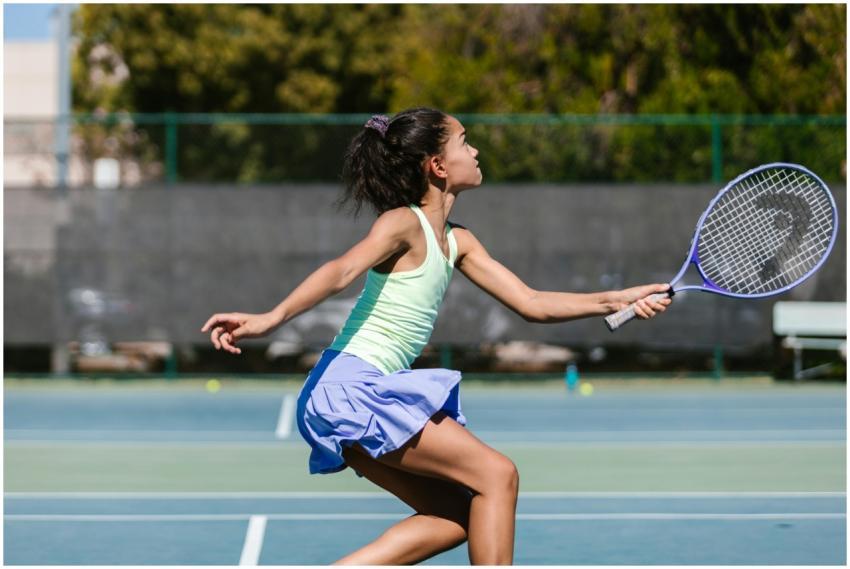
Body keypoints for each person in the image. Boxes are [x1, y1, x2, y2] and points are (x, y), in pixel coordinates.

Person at [201, 107, 671, 565]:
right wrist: (270, 319)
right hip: (349, 388)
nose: (476, 150)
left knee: (455, 516)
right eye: (465, 141)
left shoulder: (458, 241)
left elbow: (532, 303)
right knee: (498, 475)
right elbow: (341, 270)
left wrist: (618, 299)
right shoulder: (403, 223)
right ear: (439, 166)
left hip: (347, 392)